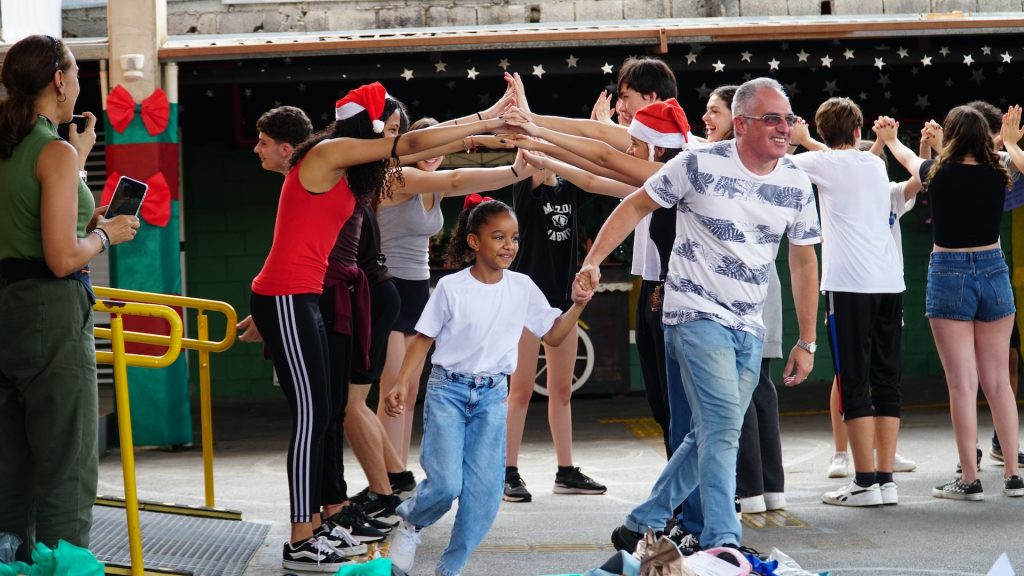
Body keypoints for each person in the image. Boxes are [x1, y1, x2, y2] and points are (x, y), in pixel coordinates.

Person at [248, 81, 507, 571]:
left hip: (301, 297)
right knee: (312, 417)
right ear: (365, 126)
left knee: (324, 416)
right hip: (286, 296)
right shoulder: (328, 151)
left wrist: (479, 133)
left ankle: (324, 522)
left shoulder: (351, 173)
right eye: (386, 127)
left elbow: (426, 155)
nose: (394, 136)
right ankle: (301, 539)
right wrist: (487, 116)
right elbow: (410, 145)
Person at [580, 77, 820, 556]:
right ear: (743, 122)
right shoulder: (697, 163)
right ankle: (723, 541)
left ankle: (640, 522)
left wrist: (807, 339)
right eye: (773, 119)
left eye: (789, 119)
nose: (784, 128)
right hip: (693, 312)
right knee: (724, 425)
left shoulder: (795, 181)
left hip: (750, 326)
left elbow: (803, 259)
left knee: (707, 430)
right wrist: (592, 261)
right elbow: (635, 204)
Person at [383, 198, 592, 576]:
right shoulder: (451, 288)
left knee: (482, 496)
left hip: (493, 397)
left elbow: (555, 335)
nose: (509, 245)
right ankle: (412, 522)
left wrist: (577, 305)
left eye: (513, 238)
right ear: (474, 242)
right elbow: (422, 339)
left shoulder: (522, 287)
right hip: (449, 392)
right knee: (446, 485)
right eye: (498, 237)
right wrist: (400, 382)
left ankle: (450, 568)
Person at [0, 34, 139, 559]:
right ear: (59, 80)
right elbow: (61, 258)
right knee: (66, 460)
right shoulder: (51, 151)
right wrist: (107, 235)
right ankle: (66, 569)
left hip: (6, 307)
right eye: (78, 71)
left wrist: (78, 168)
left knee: (10, 461)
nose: (81, 83)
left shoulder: (15, 145)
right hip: (49, 313)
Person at [875, 106, 1024, 500]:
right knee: (999, 384)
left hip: (949, 271)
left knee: (962, 384)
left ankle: (970, 478)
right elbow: (998, 156)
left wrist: (891, 140)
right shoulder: (1001, 169)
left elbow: (909, 160)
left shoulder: (935, 171)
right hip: (993, 269)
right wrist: (1008, 139)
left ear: (952, 135)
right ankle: (1013, 474)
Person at [375, 110, 536, 472]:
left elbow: (459, 167)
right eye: (427, 146)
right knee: (393, 385)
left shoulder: (431, 181)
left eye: (441, 147)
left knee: (410, 389)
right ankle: (386, 478)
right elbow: (458, 179)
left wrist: (511, 137)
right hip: (387, 286)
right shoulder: (397, 177)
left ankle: (398, 471)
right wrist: (514, 171)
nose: (434, 154)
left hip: (417, 287)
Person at [785, 98, 907, 507]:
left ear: (822, 133)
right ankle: (885, 480)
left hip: (849, 287)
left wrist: (798, 140)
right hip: (890, 284)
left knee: (853, 381)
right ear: (858, 133)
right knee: (885, 379)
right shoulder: (875, 163)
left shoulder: (819, 162)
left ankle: (864, 482)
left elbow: (780, 163)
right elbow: (848, 162)